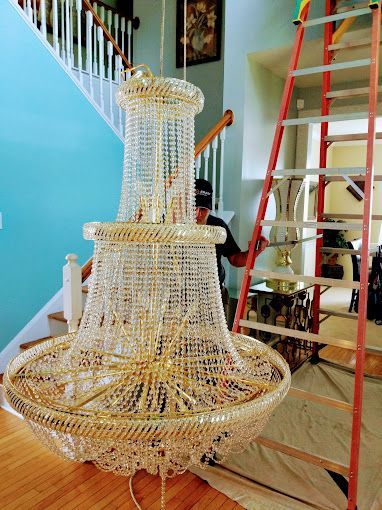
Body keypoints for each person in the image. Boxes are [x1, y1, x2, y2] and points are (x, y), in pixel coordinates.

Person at [195, 179, 269, 288]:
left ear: (210, 209)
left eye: (203, 209)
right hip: (181, 293)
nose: (197, 214)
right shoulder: (174, 229)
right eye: (193, 208)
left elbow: (235, 259)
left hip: (213, 291)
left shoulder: (218, 226)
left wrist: (255, 250)